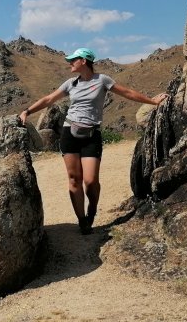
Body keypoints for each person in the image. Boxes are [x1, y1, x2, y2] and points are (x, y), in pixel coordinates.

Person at [19, 47, 167, 234]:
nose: (70, 63)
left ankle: (92, 209)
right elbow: (49, 99)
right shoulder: (70, 84)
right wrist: (27, 111)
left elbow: (127, 92)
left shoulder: (102, 80)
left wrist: (152, 102)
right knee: (74, 179)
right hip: (69, 133)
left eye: (73, 59)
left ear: (84, 61)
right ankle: (82, 220)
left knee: (90, 181)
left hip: (91, 135)